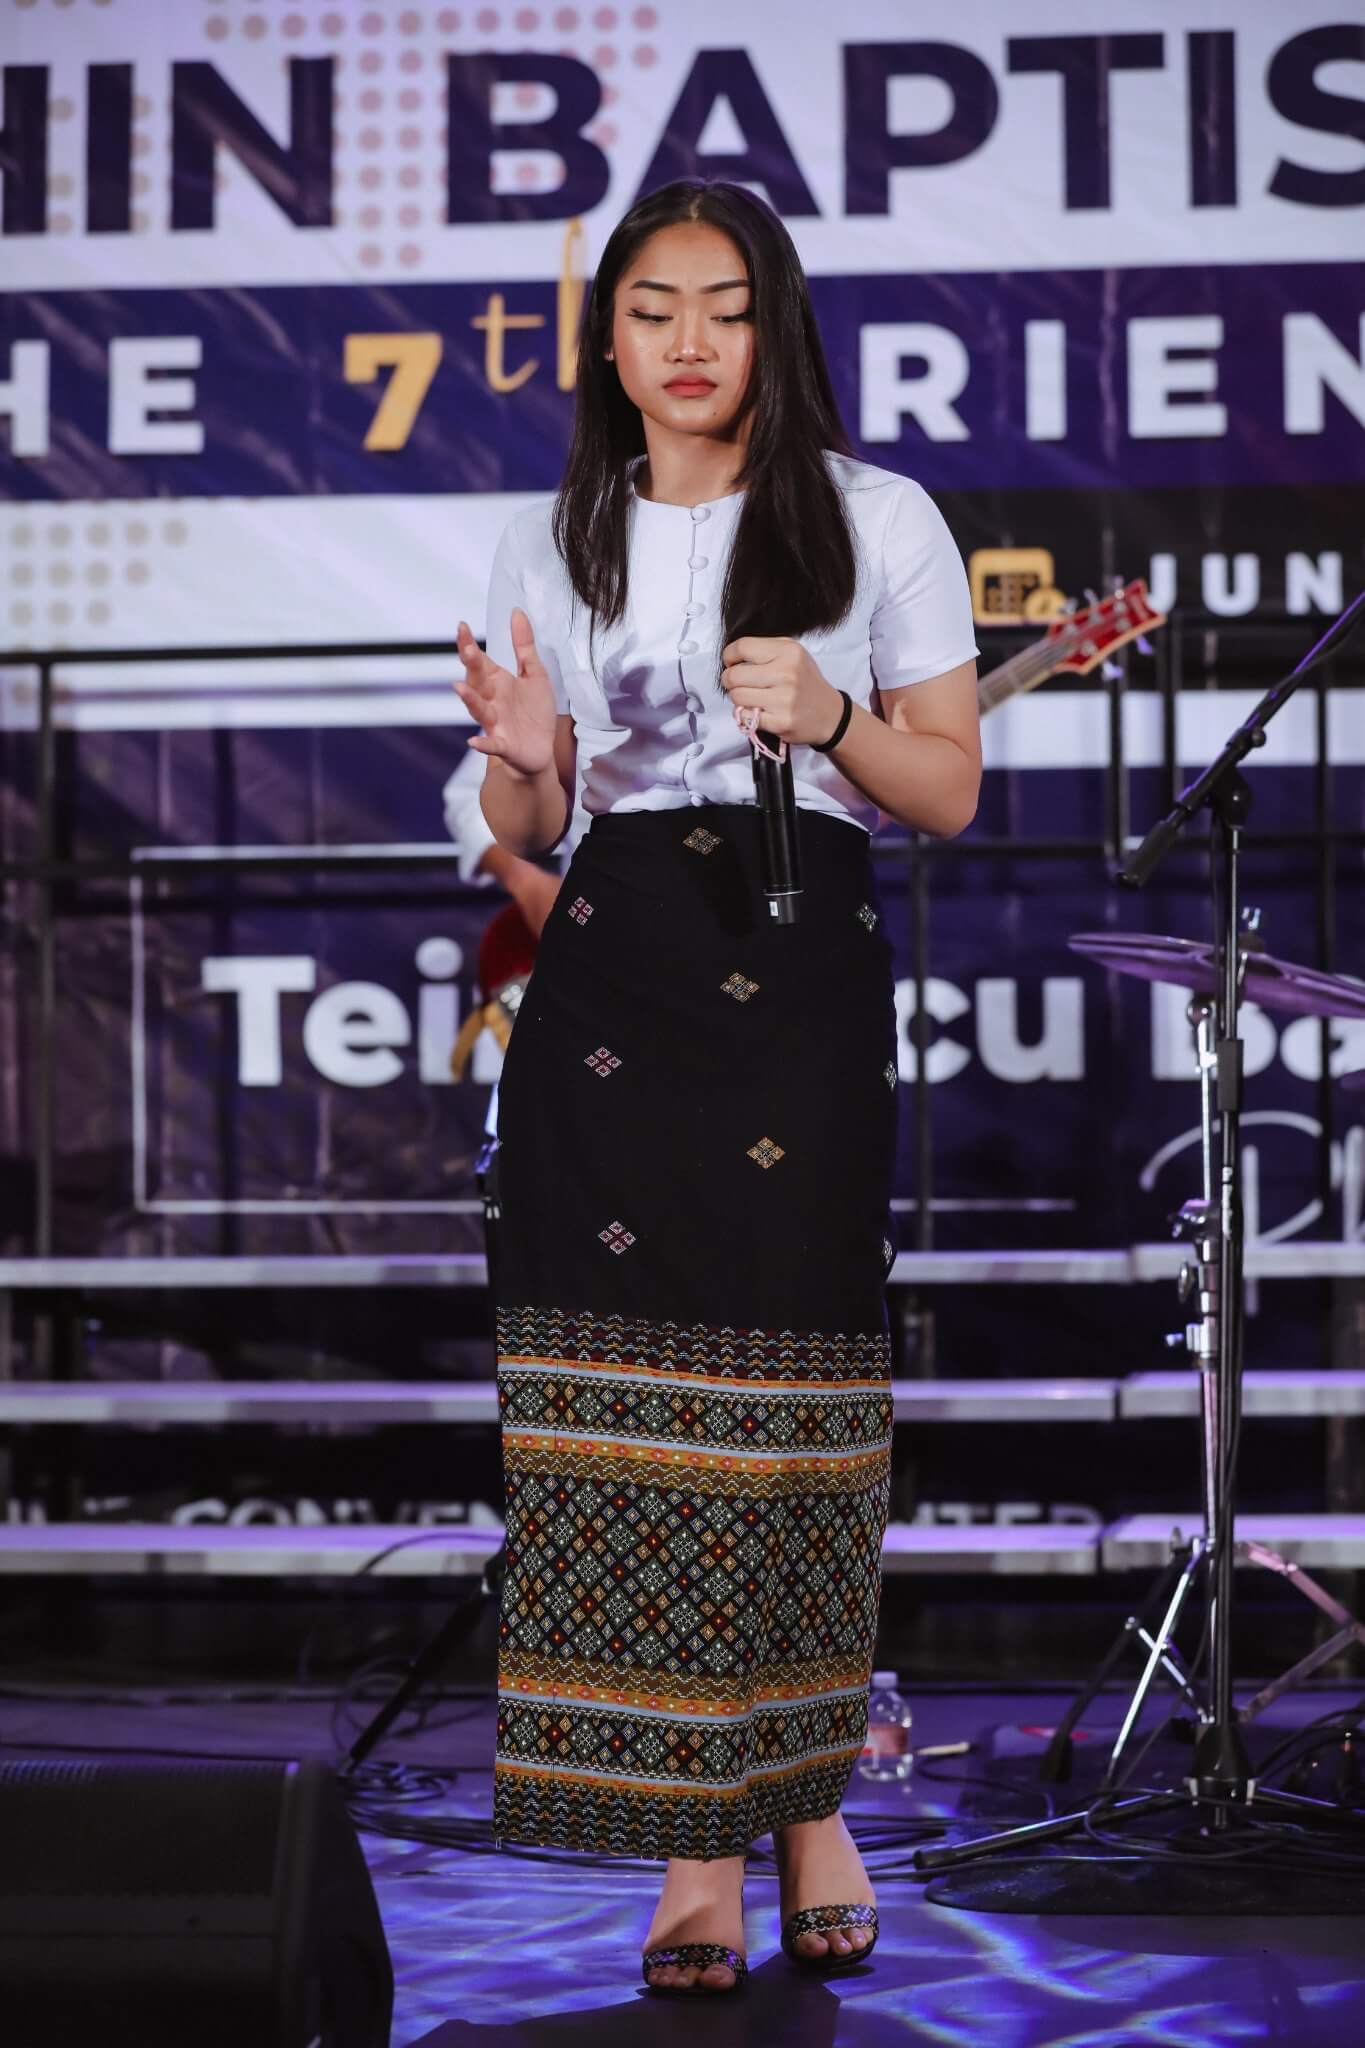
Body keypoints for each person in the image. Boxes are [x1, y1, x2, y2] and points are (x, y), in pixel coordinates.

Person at [453, 177, 980, 1997]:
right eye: (654, 308)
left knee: (794, 1406)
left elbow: (949, 792)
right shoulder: (552, 534)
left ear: (776, 329)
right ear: (606, 339)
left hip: (796, 971)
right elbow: (533, 817)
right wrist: (527, 762)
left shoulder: (874, 516)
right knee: (629, 1408)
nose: (690, 341)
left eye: (727, 308)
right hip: (614, 979)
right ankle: (695, 1850)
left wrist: (829, 715)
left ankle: (809, 1805)